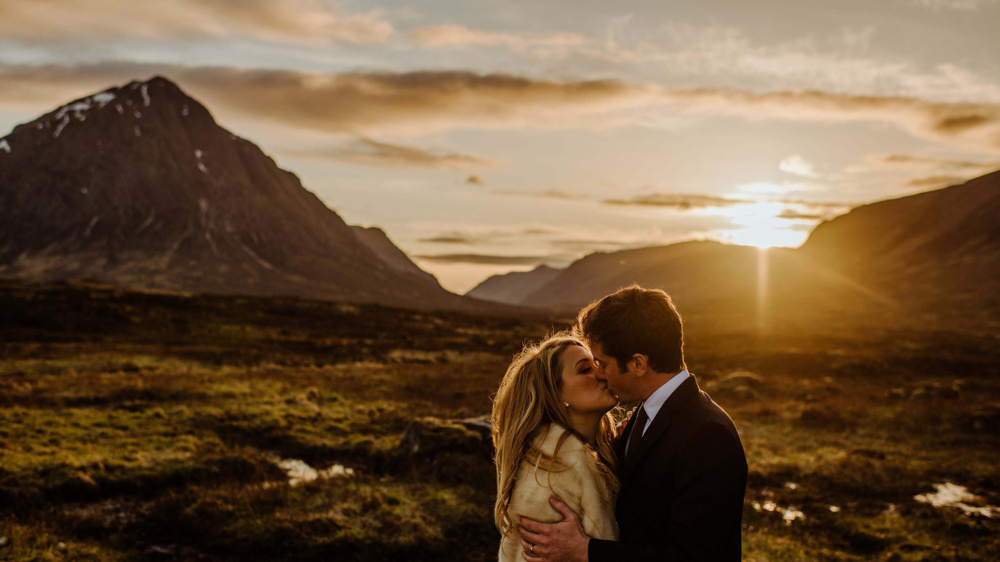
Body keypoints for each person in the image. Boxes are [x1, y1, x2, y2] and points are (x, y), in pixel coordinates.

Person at [519, 286, 748, 562]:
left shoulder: (707, 434)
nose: (599, 375)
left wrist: (587, 551)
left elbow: (697, 556)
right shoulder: (644, 416)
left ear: (638, 364)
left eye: (602, 363)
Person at [491, 333, 621, 562]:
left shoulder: (586, 454)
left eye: (598, 365)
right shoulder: (553, 473)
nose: (601, 374)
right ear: (556, 395)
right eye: (584, 369)